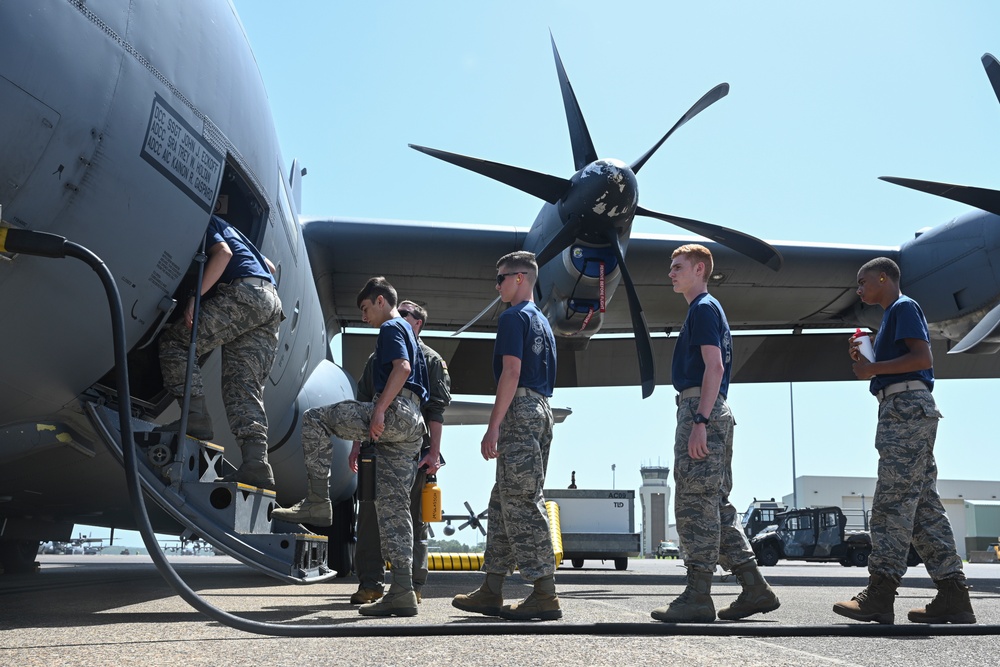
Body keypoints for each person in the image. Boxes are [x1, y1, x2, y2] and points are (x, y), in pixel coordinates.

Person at [272, 276, 429, 618]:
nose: (363, 316)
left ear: (381, 301)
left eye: (365, 308)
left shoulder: (391, 328)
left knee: (314, 418)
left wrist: (380, 409)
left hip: (395, 412)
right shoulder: (413, 337)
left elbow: (400, 369)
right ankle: (403, 589)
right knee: (395, 508)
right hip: (413, 425)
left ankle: (317, 502)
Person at [833, 257, 976, 625]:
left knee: (891, 503)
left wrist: (872, 368)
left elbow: (923, 356)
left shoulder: (903, 306)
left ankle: (880, 595)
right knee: (924, 509)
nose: (859, 289)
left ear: (885, 278)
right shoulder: (891, 317)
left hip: (907, 409)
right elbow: (905, 360)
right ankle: (953, 596)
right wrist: (870, 359)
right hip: (903, 408)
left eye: (863, 281)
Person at [651, 243, 779, 623]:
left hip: (701, 408)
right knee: (716, 508)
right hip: (707, 408)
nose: (671, 273)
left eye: (678, 267)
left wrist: (700, 422)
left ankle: (698, 595)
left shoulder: (704, 308)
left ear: (700, 270)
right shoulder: (703, 310)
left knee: (694, 505)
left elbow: (715, 367)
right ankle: (754, 587)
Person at [452, 250, 561, 622]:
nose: (496, 285)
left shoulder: (514, 316)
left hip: (521, 411)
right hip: (542, 410)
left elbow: (511, 372)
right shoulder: (542, 322)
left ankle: (544, 593)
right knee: (503, 502)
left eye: (500, 278)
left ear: (519, 279)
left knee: (521, 500)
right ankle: (492, 589)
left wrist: (493, 425)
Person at [157, 214, 283, 489]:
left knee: (175, 343)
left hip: (247, 295)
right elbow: (270, 267)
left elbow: (223, 254)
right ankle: (256, 463)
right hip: (270, 301)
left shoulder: (207, 221)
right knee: (242, 384)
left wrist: (196, 296)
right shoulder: (237, 232)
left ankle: (196, 418)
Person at [350, 300, 452, 605]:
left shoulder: (431, 361)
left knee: (414, 518)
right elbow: (364, 401)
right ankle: (370, 583)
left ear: (417, 323)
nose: (396, 319)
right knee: (368, 515)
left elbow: (436, 410)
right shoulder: (378, 356)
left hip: (414, 452)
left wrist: (434, 453)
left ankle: (412, 584)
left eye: (404, 315)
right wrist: (356, 445)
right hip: (375, 449)